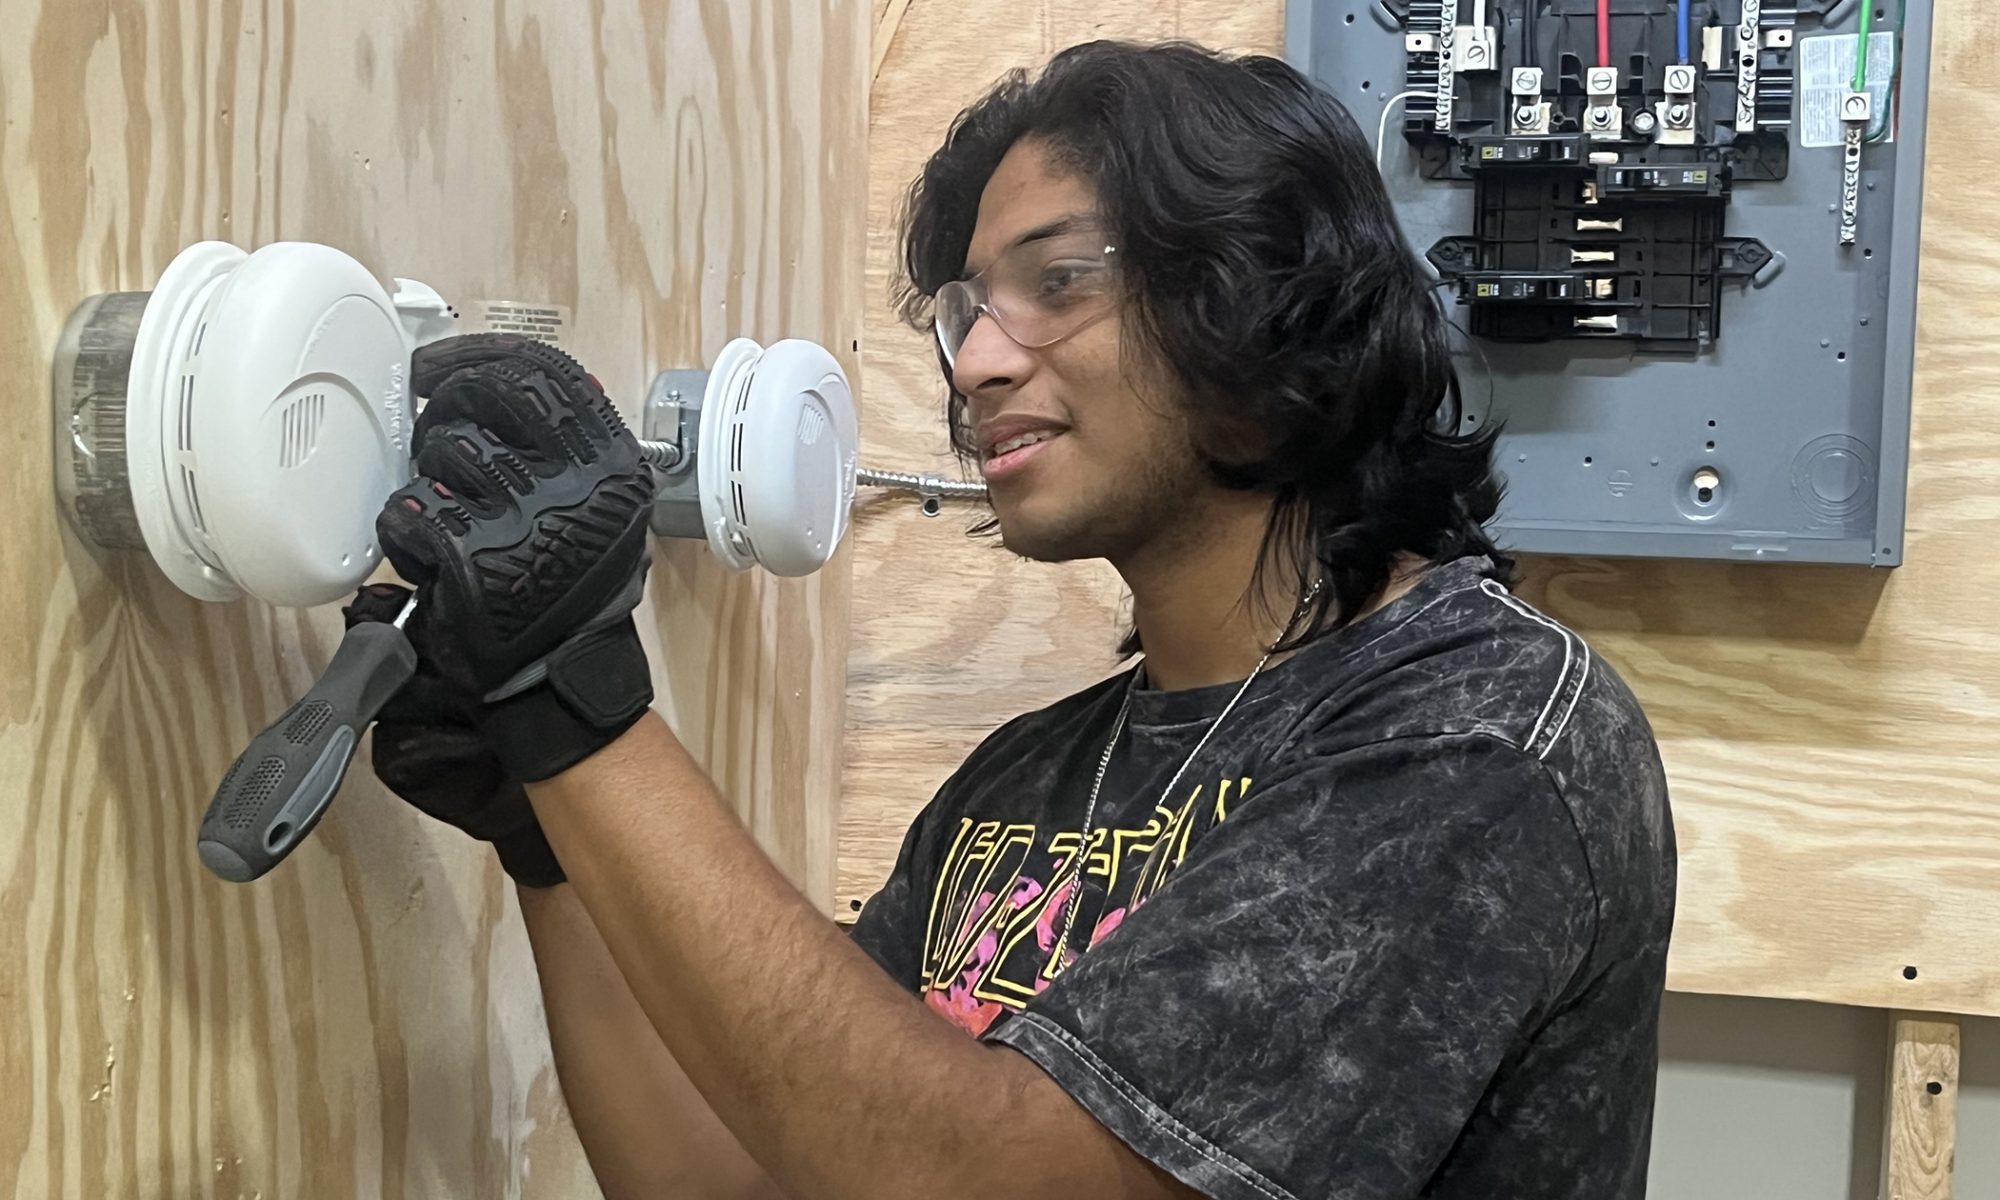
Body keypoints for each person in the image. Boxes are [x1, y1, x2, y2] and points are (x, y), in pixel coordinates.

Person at [349, 39, 1675, 1200]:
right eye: (965, 313)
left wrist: (587, 716)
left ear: (1261, 304)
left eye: (1057, 282)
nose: (976, 359)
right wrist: (551, 830)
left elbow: (974, 1175)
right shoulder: (1029, 781)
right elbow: (736, 1177)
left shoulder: (1482, 739)